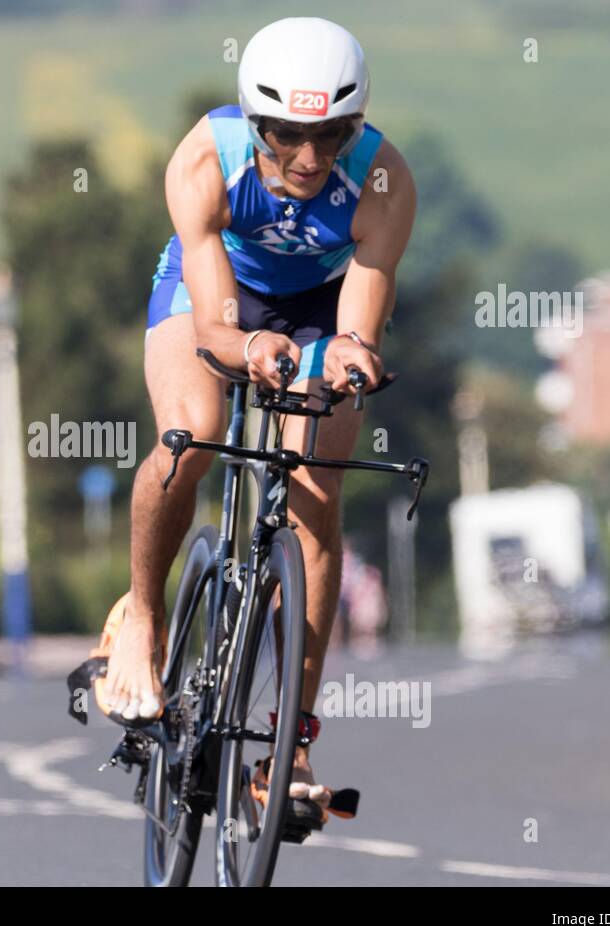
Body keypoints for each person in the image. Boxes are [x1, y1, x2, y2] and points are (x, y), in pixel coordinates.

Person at [92, 17, 416, 808]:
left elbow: (358, 317)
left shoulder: (383, 182)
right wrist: (248, 348)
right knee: (192, 435)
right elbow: (211, 327)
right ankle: (144, 614)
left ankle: (290, 746)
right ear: (253, 121)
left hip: (318, 305)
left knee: (316, 495)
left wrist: (345, 355)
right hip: (215, 295)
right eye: (286, 135)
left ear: (356, 126)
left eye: (332, 135)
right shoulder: (206, 159)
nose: (310, 159)